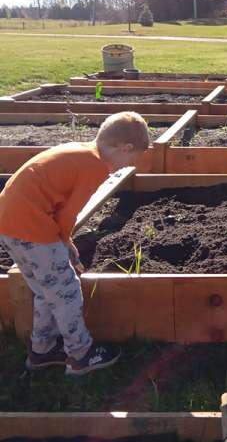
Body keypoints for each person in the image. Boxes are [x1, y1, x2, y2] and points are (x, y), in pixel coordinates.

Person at [0, 112, 149, 375]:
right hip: (33, 228)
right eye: (130, 160)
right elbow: (70, 214)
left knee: (47, 290)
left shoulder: (80, 151)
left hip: (10, 224)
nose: (124, 167)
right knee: (67, 292)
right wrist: (64, 240)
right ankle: (81, 354)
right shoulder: (94, 166)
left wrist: (64, 242)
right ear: (124, 148)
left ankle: (42, 351)